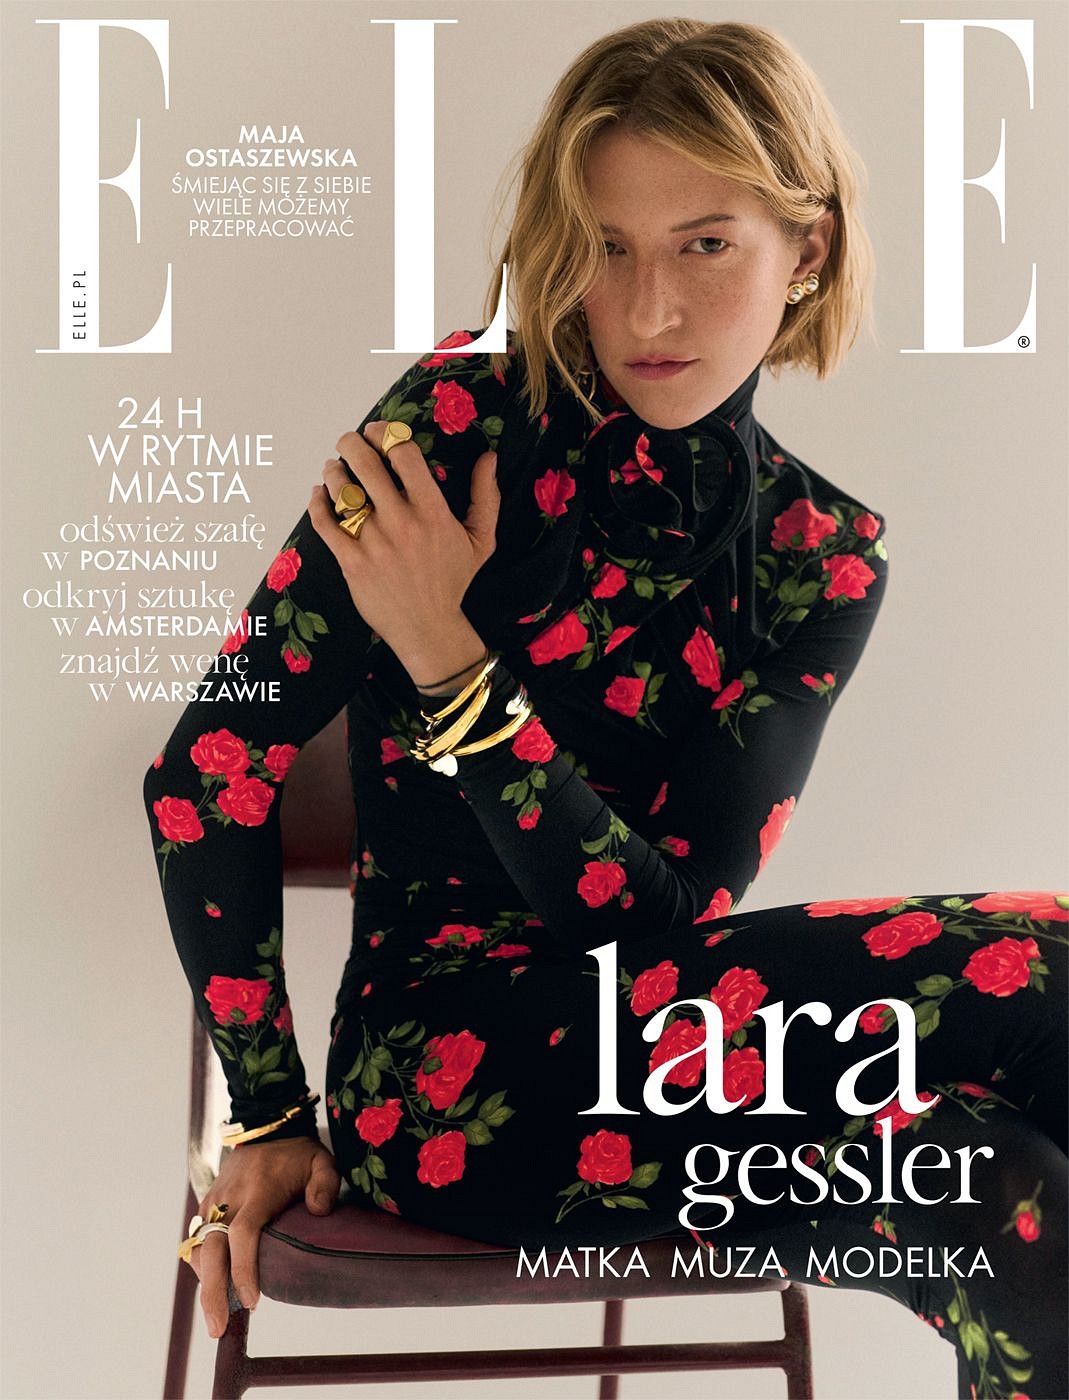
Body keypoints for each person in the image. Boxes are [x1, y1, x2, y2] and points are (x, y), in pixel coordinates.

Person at [143, 18, 1067, 1398]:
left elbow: (655, 925)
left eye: (705, 245)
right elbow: (205, 775)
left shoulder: (818, 553)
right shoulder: (451, 432)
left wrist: (455, 675)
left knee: (996, 1191)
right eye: (606, 248)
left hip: (673, 1053)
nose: (646, 313)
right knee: (1047, 966)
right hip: (440, 1086)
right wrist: (268, 1109)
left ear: (807, 250)